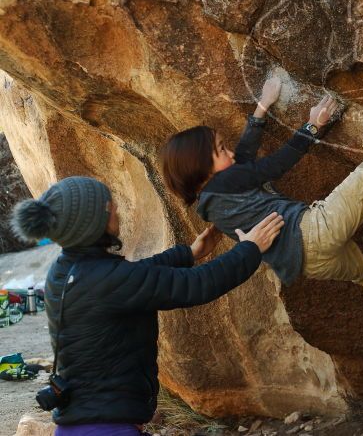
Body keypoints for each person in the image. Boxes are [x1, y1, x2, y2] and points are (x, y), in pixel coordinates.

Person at [161, 77, 363, 336]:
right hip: (312, 232)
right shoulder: (224, 185)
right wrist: (312, 126)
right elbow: (273, 166)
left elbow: (245, 160)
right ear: (201, 170)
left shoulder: (215, 200)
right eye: (221, 150)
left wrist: (262, 108)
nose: (230, 152)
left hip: (309, 264)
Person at [11, 176, 284, 435]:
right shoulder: (109, 278)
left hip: (79, 424)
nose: (116, 209)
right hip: (107, 430)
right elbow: (198, 284)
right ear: (90, 223)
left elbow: (137, 275)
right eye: (108, 207)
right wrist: (250, 248)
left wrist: (189, 253)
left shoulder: (64, 270)